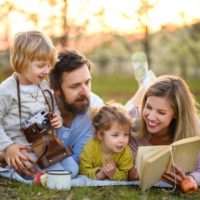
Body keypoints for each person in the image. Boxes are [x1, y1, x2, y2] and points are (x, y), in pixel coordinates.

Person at [0, 30, 78, 181]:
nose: (47, 70)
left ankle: (36, 170)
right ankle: (12, 165)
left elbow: (53, 108)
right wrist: (7, 147)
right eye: (41, 65)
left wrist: (57, 119)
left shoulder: (43, 86)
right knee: (58, 176)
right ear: (21, 61)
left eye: (49, 65)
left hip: (45, 145)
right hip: (21, 149)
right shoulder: (6, 91)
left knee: (72, 170)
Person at [128, 75, 200, 187]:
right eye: (148, 107)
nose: (151, 117)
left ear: (176, 113)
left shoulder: (195, 129)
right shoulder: (131, 123)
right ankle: (144, 84)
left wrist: (189, 179)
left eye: (161, 112)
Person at [49, 50, 104, 166]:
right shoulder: (39, 105)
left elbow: (77, 161)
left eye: (87, 83)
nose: (85, 92)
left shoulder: (96, 109)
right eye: (75, 86)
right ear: (55, 89)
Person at [79, 102, 133, 180]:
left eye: (126, 134)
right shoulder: (90, 148)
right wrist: (98, 174)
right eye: (115, 135)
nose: (122, 140)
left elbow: (126, 174)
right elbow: (83, 169)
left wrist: (114, 173)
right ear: (101, 135)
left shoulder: (125, 152)